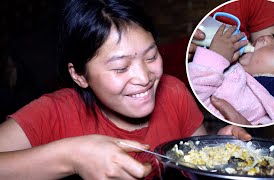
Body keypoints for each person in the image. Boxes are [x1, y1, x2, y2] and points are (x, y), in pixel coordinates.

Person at [0, 0, 252, 179]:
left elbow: (197, 159)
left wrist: (221, 146)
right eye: (121, 68)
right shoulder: (54, 111)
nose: (144, 78)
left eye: (151, 57)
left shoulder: (173, 92)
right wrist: (72, 156)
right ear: (78, 75)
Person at [188, 22, 274, 125]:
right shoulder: (239, 72)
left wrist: (215, 57)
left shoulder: (250, 102)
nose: (265, 38)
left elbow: (196, 94)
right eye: (273, 36)